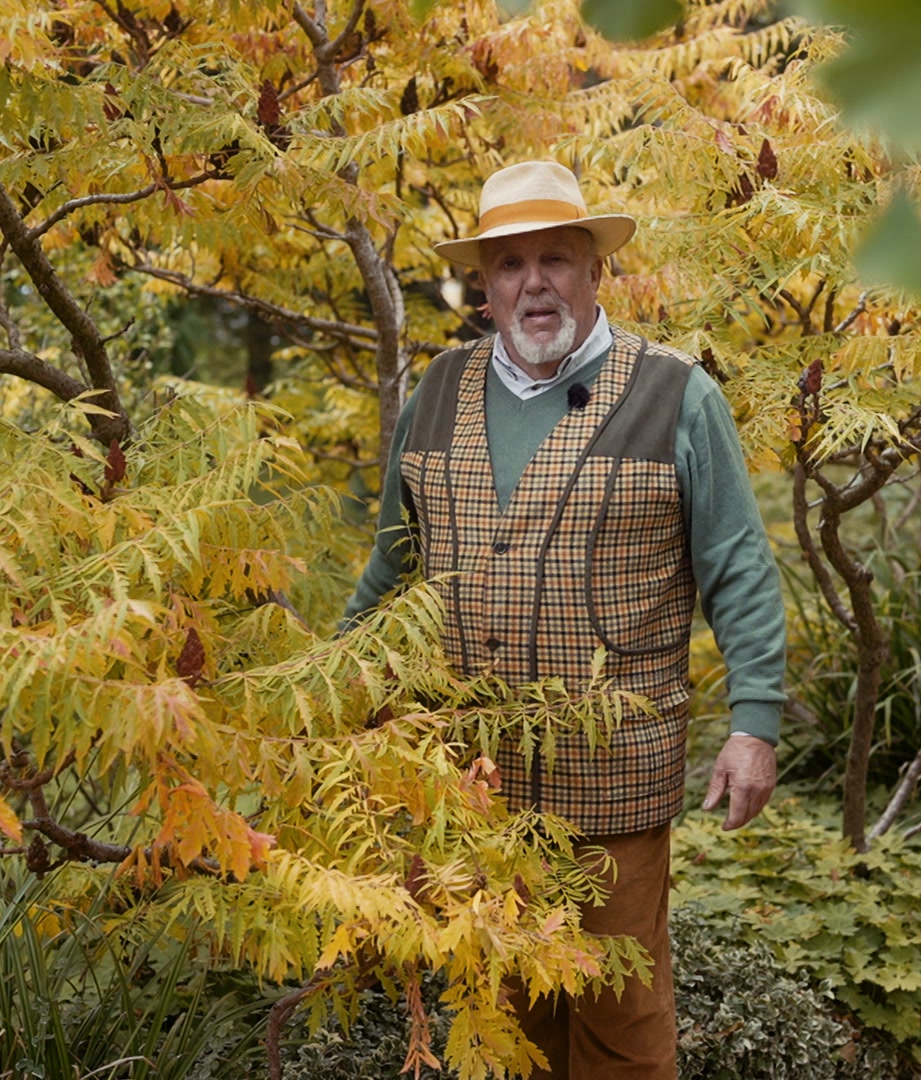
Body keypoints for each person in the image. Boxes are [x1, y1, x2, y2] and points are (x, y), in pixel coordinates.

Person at [343, 160, 785, 1080]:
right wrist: (332, 698)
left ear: (595, 273)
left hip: (612, 784)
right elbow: (392, 566)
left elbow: (738, 566)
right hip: (467, 790)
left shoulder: (676, 394)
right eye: (509, 265)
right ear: (486, 286)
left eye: (555, 259)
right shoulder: (437, 392)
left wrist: (755, 723)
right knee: (500, 1034)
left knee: (622, 1032)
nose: (532, 283)